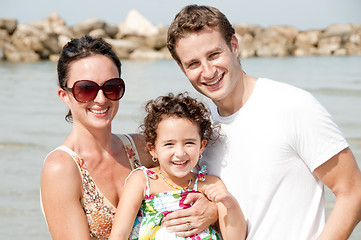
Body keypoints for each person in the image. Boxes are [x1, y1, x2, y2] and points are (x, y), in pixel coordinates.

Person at [166, 4, 361, 240]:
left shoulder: (292, 106)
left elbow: (353, 192)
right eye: (193, 64)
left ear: (234, 46)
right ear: (181, 68)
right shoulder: (199, 129)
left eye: (214, 55)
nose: (207, 72)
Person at [40, 35, 216, 239]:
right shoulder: (61, 168)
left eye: (111, 87)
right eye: (86, 89)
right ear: (65, 96)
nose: (100, 99)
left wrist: (212, 211)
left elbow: (194, 182)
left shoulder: (142, 148)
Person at [109, 92, 247, 240]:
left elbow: (235, 238)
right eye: (169, 144)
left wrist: (230, 204)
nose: (180, 153)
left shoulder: (210, 185)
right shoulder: (143, 181)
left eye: (189, 143)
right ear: (153, 149)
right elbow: (119, 233)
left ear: (202, 146)